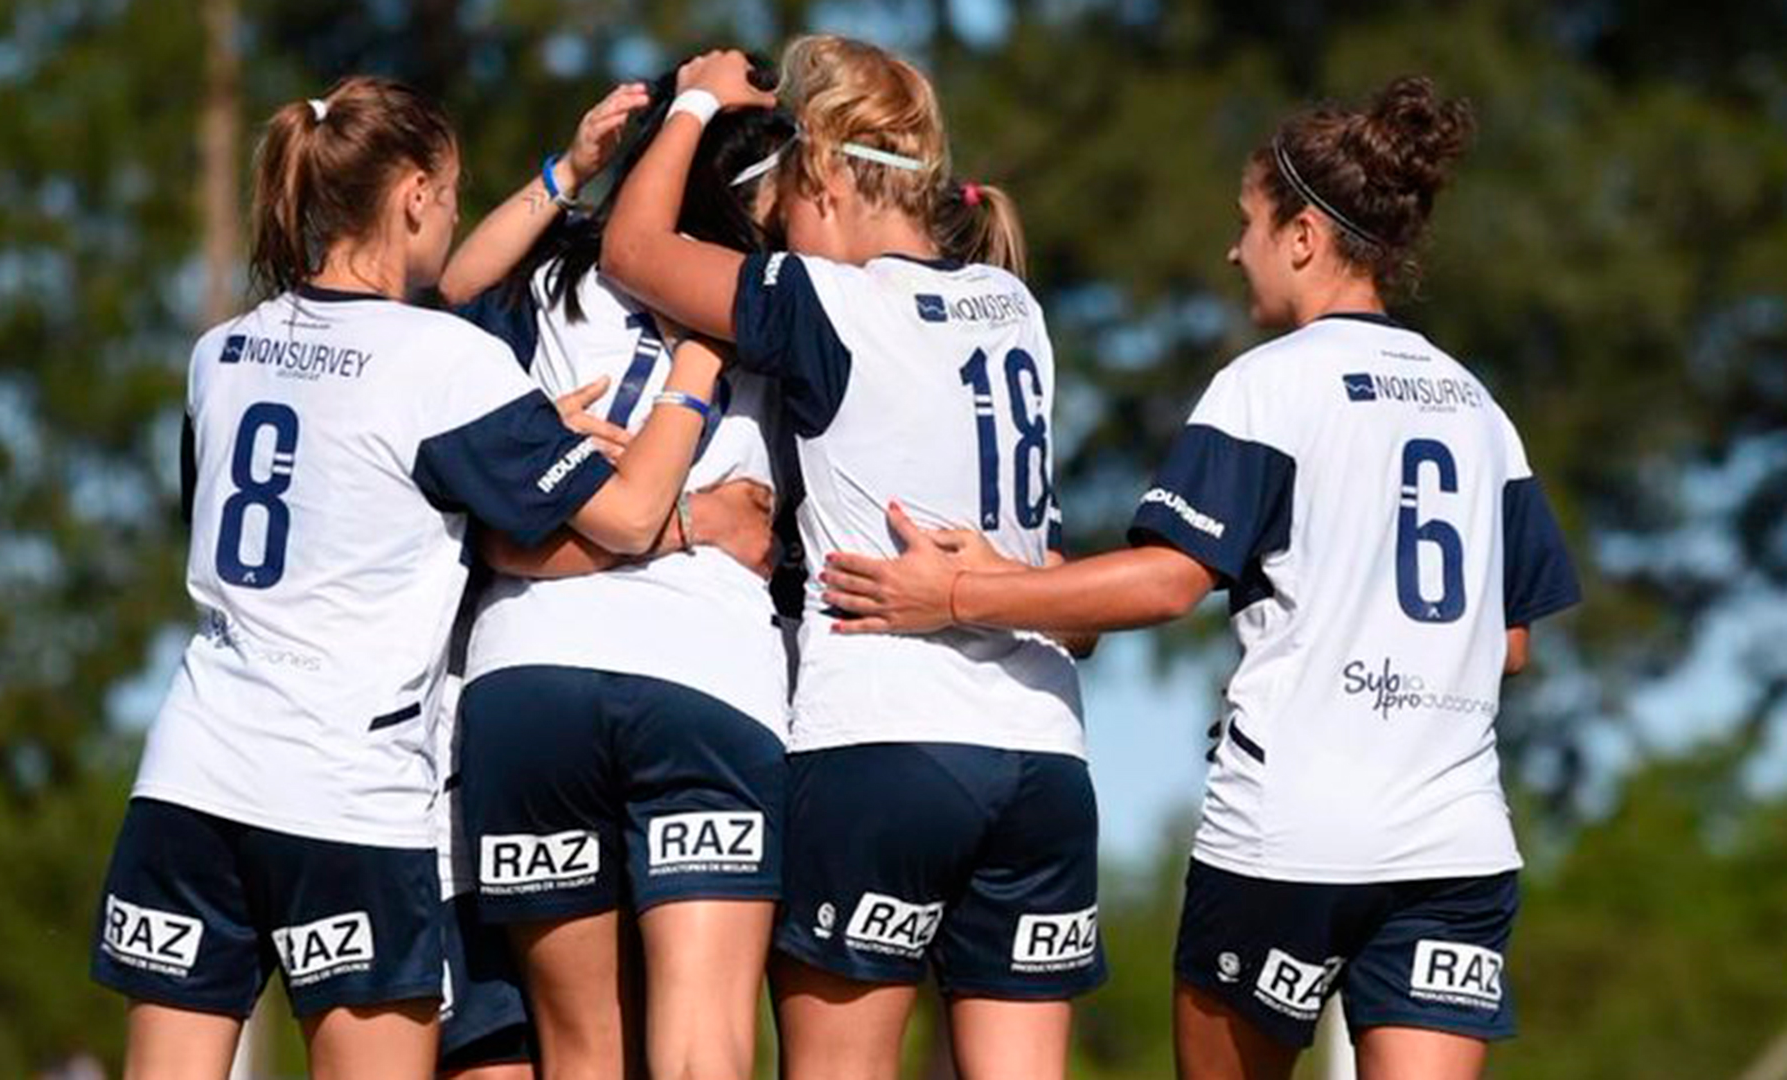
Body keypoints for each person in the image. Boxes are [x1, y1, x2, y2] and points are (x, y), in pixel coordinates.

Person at [817, 76, 1583, 1080]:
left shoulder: (1270, 384)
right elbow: (1512, 643)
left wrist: (961, 594)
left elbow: (1168, 583)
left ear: (1304, 236)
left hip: (1292, 834)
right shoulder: (1481, 410)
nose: (1236, 250)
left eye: (1248, 225)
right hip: (1456, 842)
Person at [89, 74, 724, 1080]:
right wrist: (696, 373)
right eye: (457, 193)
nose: (459, 215)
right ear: (415, 196)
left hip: (189, 780)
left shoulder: (219, 354)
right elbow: (632, 515)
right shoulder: (444, 361)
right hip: (341, 795)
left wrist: (504, 448)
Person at [602, 37, 1101, 1080]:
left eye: (783, 205)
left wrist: (692, 105)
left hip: (884, 739)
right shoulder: (1016, 308)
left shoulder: (826, 301)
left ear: (827, 176)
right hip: (1046, 756)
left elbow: (633, 253)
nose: (777, 230)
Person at [438, 70, 795, 1080]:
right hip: (702, 679)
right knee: (699, 1049)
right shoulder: (776, 297)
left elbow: (451, 292)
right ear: (763, 194)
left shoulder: (555, 271)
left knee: (581, 1055)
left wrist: (572, 166)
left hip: (529, 678)